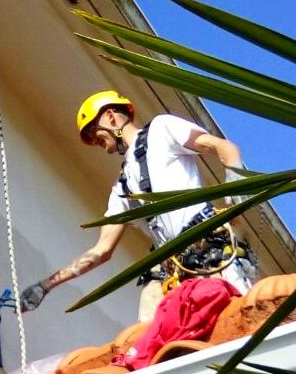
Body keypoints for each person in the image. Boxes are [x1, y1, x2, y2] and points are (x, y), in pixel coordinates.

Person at [20, 89, 258, 317]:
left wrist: (236, 176)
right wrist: (46, 285)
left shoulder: (162, 129)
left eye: (93, 131)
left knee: (239, 312)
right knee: (155, 324)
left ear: (110, 117)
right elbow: (101, 250)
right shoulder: (123, 188)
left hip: (210, 247)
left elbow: (223, 147)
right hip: (180, 269)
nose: (95, 141)